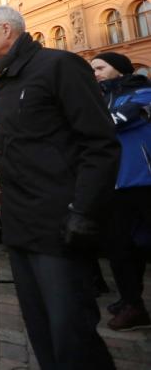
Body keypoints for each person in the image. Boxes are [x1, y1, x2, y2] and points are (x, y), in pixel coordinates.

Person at [0, 5, 119, 370]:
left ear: (6, 30)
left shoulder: (59, 67)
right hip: (19, 225)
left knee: (71, 332)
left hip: (58, 223)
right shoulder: (3, 84)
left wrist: (84, 210)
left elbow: (100, 145)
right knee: (40, 326)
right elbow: (1, 144)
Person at [90, 51, 151, 331]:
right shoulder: (100, 98)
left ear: (119, 68)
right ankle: (132, 302)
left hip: (143, 182)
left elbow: (118, 121)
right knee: (119, 248)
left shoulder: (143, 90)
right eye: (93, 69)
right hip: (114, 184)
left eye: (100, 67)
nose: (96, 73)